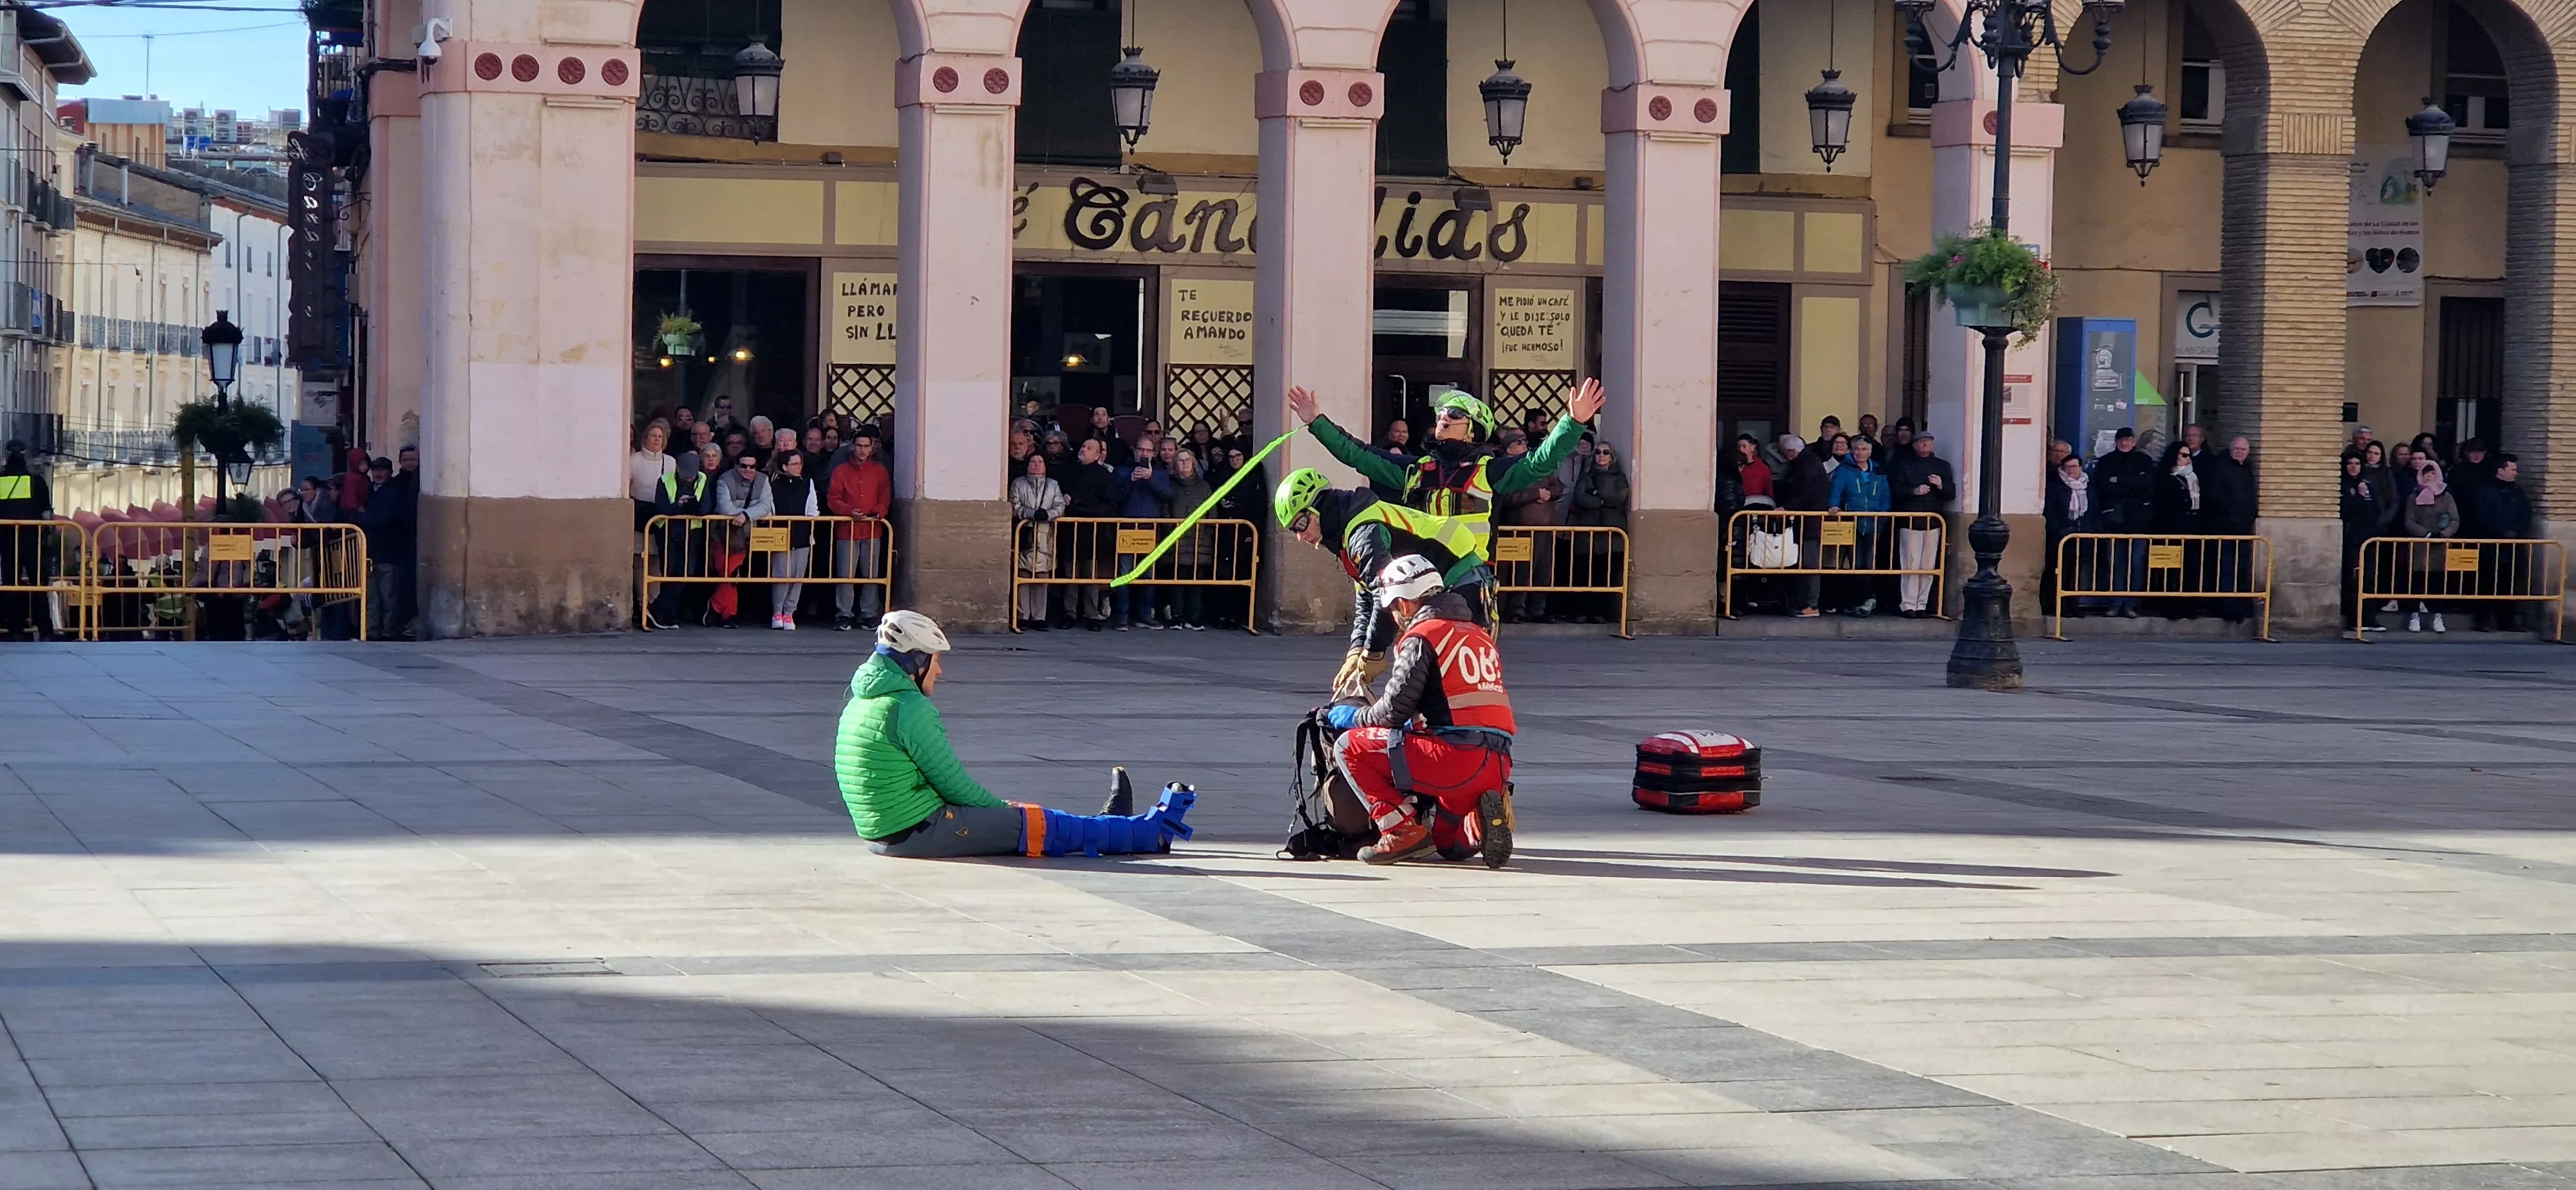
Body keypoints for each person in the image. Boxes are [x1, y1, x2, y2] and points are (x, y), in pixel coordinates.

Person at [836, 612, 1197, 857]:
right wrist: (1003, 810)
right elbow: (954, 785)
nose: (941, 670)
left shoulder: (862, 699)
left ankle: (1115, 824)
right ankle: (1151, 834)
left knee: (1021, 816)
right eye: (935, 659)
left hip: (887, 833)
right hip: (917, 831)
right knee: (1036, 823)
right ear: (915, 662)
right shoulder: (908, 707)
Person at [1285, 379, 1604, 618]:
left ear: (1473, 430)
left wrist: (1572, 423)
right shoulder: (1415, 470)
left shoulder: (1489, 471)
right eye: (1440, 413)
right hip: (1419, 579)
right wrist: (1317, 422)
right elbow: (1358, 454)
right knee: (1415, 666)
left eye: (1454, 414)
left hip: (1467, 578)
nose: (1443, 417)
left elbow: (1541, 462)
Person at [1318, 557, 1515, 865]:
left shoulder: (1423, 635)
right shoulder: (1480, 636)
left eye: (1394, 608)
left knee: (1350, 747)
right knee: (1448, 846)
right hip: (1497, 765)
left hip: (1451, 760)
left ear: (1406, 605)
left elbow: (1392, 712)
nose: (1395, 617)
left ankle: (1400, 830)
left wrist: (1351, 717)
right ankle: (1475, 826)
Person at [1273, 468, 1490, 695]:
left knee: (1455, 679)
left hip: (1461, 576)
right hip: (1441, 583)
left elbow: (1383, 594)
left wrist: (1374, 652)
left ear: (1318, 510)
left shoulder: (1363, 533)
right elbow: (1366, 593)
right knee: (1432, 677)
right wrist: (1357, 649)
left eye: (1300, 525)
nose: (1300, 536)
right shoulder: (1347, 530)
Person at [1492, 430, 1564, 623]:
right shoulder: (1505, 470)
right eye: (1518, 442)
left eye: (1524, 441)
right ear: (1509, 448)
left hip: (1545, 526)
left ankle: (1538, 608)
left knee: (1543, 569)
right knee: (1520, 571)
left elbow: (1558, 486)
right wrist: (1536, 494)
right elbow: (1506, 497)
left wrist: (1549, 492)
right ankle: (1516, 608)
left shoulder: (1539, 466)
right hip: (1520, 528)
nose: (1523, 445)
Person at [2090, 428, 2158, 617]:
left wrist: (2119, 481)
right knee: (2115, 564)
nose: (2125, 443)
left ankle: (2130, 605)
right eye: (2121, 440)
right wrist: (2132, 485)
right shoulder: (2106, 461)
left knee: (2136, 564)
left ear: (2134, 442)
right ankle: (2115, 603)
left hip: (2138, 522)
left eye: (2128, 440)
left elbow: (2147, 485)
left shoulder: (2144, 461)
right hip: (2114, 521)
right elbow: (2104, 488)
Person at [1886, 432, 1952, 618]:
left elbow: (1951, 493)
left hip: (1934, 521)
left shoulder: (1942, 466)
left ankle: (1922, 604)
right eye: (1921, 442)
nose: (1925, 445)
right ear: (1915, 445)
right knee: (1910, 564)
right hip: (1911, 520)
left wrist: (1940, 485)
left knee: (1928, 566)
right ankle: (1908, 604)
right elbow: (1896, 490)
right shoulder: (1903, 465)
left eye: (1928, 442)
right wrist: (1914, 491)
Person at [1824, 435, 1891, 617]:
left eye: (1863, 449)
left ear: (1869, 452)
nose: (1859, 453)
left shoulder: (1879, 471)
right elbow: (1836, 491)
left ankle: (1868, 599)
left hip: (1874, 523)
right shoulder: (1844, 470)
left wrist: (1883, 516)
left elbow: (1886, 497)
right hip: (1851, 522)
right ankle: (1862, 599)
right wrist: (1833, 506)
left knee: (1869, 563)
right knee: (1855, 563)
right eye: (1856, 449)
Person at [708, 449, 775, 628]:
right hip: (722, 534)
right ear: (737, 465)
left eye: (752, 466)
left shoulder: (763, 480)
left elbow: (766, 506)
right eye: (743, 466)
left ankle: (719, 609)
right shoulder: (725, 479)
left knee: (732, 573)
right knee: (727, 573)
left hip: (745, 536)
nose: (748, 470)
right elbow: (724, 508)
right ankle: (727, 613)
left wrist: (745, 515)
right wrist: (753, 511)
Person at [1111, 440, 1173, 630]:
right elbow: (1116, 497)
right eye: (1141, 449)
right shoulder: (1122, 472)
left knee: (1148, 574)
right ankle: (1122, 615)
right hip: (1127, 529)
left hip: (1150, 529)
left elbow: (1167, 495)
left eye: (1148, 450)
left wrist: (1151, 478)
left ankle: (1145, 614)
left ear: (1154, 454)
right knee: (1125, 573)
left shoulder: (1161, 474)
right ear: (1135, 451)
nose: (1144, 453)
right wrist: (1131, 480)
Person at [2469, 453, 2534, 632]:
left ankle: (2507, 620)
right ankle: (2482, 620)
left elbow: (2525, 515)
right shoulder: (2484, 490)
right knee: (2486, 583)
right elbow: (2481, 515)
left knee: (2509, 584)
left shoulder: (2518, 492)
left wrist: (2516, 531)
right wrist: (2501, 532)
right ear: (2501, 470)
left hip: (2512, 548)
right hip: (2490, 545)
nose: (2516, 473)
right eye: (2513, 469)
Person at [1059, 437, 1119, 629]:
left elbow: (1110, 507)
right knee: (1071, 576)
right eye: (1083, 446)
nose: (1084, 450)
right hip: (1070, 531)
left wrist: (1081, 507)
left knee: (1091, 576)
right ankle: (1070, 613)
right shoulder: (1069, 472)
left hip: (1093, 532)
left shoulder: (1105, 476)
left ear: (1098, 454)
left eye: (1089, 448)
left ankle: (1092, 614)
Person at [1567, 441, 1629, 624]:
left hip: (1611, 535)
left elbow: (1621, 496)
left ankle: (1603, 613)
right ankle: (1584, 611)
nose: (1601, 455)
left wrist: (1597, 495)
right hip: (1589, 533)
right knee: (1585, 573)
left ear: (1612, 456)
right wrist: (1601, 501)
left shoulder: (1619, 477)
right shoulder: (1586, 475)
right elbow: (1580, 497)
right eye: (1598, 452)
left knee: (1607, 574)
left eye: (1606, 452)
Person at [0, 439, 54, 641]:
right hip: (33, 539)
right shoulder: (36, 481)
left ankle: (15, 631)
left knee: (11, 585)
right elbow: (47, 513)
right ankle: (46, 630)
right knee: (39, 585)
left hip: (7, 541)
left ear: (6, 457)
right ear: (24, 456)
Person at [1772, 433, 1829, 618]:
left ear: (1791, 452)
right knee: (1804, 563)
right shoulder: (1808, 462)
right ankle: (1803, 602)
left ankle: (1811, 604)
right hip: (1805, 521)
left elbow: (1809, 493)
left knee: (1810, 563)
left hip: (1809, 522)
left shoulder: (1808, 465)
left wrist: (1786, 507)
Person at [1009, 453, 1068, 630]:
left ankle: (1039, 617)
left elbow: (1060, 506)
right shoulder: (1018, 484)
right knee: (1024, 576)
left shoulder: (1053, 485)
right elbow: (1014, 505)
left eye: (1040, 462)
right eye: (1033, 462)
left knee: (1042, 578)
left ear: (1045, 466)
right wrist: (1030, 514)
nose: (1036, 464)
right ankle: (1023, 615)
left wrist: (1048, 515)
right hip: (1026, 534)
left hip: (1046, 536)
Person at [766, 448, 822, 630]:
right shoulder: (773, 484)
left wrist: (811, 520)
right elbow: (769, 508)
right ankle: (777, 612)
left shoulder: (807, 483)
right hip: (780, 535)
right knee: (781, 575)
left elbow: (812, 508)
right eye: (795, 464)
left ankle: (790, 613)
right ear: (785, 466)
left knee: (797, 576)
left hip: (802, 535)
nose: (799, 467)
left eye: (800, 464)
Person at [2402, 460, 2458, 634]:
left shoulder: (2446, 497)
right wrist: (2425, 534)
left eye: (2431, 474)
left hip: (2439, 546)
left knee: (2437, 582)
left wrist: (2444, 534)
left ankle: (2437, 616)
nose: (2428, 477)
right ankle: (2414, 615)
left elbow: (2455, 519)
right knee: (2417, 580)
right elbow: (2409, 521)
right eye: (2425, 474)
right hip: (2419, 545)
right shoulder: (2413, 497)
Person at [1162, 449, 1217, 630]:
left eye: (1187, 460)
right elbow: (1165, 511)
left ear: (1194, 463)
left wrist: (1207, 533)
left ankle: (1194, 617)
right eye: (1180, 461)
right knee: (1177, 581)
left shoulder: (1204, 487)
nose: (1184, 464)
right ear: (1175, 465)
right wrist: (1170, 530)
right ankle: (1177, 616)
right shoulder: (1170, 485)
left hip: (1199, 541)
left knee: (1196, 582)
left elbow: (1212, 512)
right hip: (1176, 540)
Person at [2340, 452, 2389, 636]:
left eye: (2357, 463)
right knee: (2354, 580)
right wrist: (2358, 497)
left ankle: (2369, 617)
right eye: (2350, 463)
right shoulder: (2344, 486)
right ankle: (2355, 618)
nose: (2354, 467)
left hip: (2370, 540)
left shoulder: (2368, 484)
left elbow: (2378, 508)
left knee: (2368, 579)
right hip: (2352, 539)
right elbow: (2346, 511)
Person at [630, 421, 676, 532]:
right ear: (646, 439)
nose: (657, 439)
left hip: (662, 512)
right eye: (653, 436)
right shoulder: (633, 460)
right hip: (639, 511)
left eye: (660, 437)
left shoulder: (671, 462)